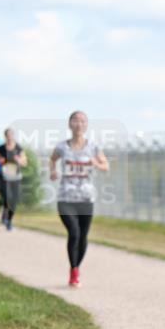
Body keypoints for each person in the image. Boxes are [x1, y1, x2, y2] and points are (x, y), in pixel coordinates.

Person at [49, 111, 109, 287]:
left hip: (86, 198)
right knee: (74, 233)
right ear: (70, 124)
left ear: (86, 125)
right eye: (75, 120)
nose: (78, 124)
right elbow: (52, 160)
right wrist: (53, 170)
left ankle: (75, 269)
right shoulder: (62, 147)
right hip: (66, 198)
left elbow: (106, 166)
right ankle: (74, 269)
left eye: (82, 121)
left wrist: (96, 164)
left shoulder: (93, 147)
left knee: (83, 237)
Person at [0, 128, 28, 230]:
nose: (10, 137)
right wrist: (1, 161)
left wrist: (19, 160)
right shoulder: (1, 148)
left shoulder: (18, 148)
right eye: (8, 135)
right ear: (5, 136)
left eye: (11, 134)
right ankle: (5, 213)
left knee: (14, 200)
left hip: (16, 177)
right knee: (7, 197)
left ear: (13, 136)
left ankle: (9, 220)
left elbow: (25, 163)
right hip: (5, 177)